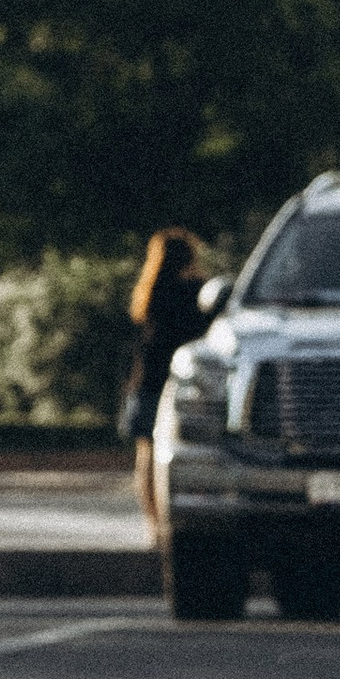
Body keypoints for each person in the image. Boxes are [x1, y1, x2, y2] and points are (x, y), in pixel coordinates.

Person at [124, 226, 213, 536]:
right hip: (181, 382)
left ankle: (153, 524)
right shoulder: (198, 293)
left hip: (148, 382)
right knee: (176, 454)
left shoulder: (148, 295)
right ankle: (172, 523)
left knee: (146, 455)